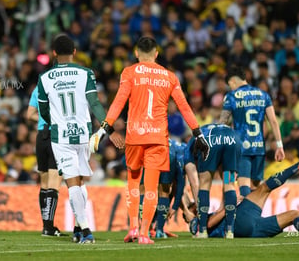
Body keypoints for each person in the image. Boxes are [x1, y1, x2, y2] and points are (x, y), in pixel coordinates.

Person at [90, 36, 209, 244]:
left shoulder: (129, 73)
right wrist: (198, 133)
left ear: (136, 53)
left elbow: (118, 102)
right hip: (157, 138)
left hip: (135, 135)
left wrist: (103, 130)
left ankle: (133, 228)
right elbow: (184, 107)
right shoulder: (170, 76)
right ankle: (145, 233)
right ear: (156, 54)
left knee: (134, 184)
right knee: (152, 187)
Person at [38, 34, 123, 244]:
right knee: (81, 182)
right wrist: (109, 130)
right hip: (83, 134)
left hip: (61, 135)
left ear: (54, 54)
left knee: (72, 182)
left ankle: (85, 231)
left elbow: (43, 110)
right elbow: (95, 104)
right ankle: (79, 228)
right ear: (75, 52)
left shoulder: (45, 78)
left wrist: (54, 121)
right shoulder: (85, 73)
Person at [188, 147, 299, 239]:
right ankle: (298, 166)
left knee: (294, 214)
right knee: (264, 187)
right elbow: (207, 225)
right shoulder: (197, 222)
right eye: (192, 207)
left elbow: (223, 198)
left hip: (253, 229)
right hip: (238, 221)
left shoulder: (210, 213)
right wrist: (230, 205)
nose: (196, 205)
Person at [219, 66, 285, 196]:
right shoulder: (263, 95)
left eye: (229, 85)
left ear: (232, 82)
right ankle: (254, 213)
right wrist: (279, 146)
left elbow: (223, 122)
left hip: (241, 148)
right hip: (259, 148)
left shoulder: (231, 96)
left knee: (241, 184)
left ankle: (243, 214)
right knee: (255, 186)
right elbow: (273, 121)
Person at [184, 124, 238, 239]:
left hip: (210, 140)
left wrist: (200, 215)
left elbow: (195, 184)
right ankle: (229, 231)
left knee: (205, 184)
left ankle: (202, 231)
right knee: (230, 184)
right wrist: (222, 205)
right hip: (232, 138)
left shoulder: (188, 152)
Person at [28, 85, 65, 237]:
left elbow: (29, 114)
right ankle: (49, 228)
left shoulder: (37, 89)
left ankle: (46, 226)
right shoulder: (62, 87)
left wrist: (43, 118)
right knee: (54, 182)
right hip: (56, 135)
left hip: (41, 136)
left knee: (44, 182)